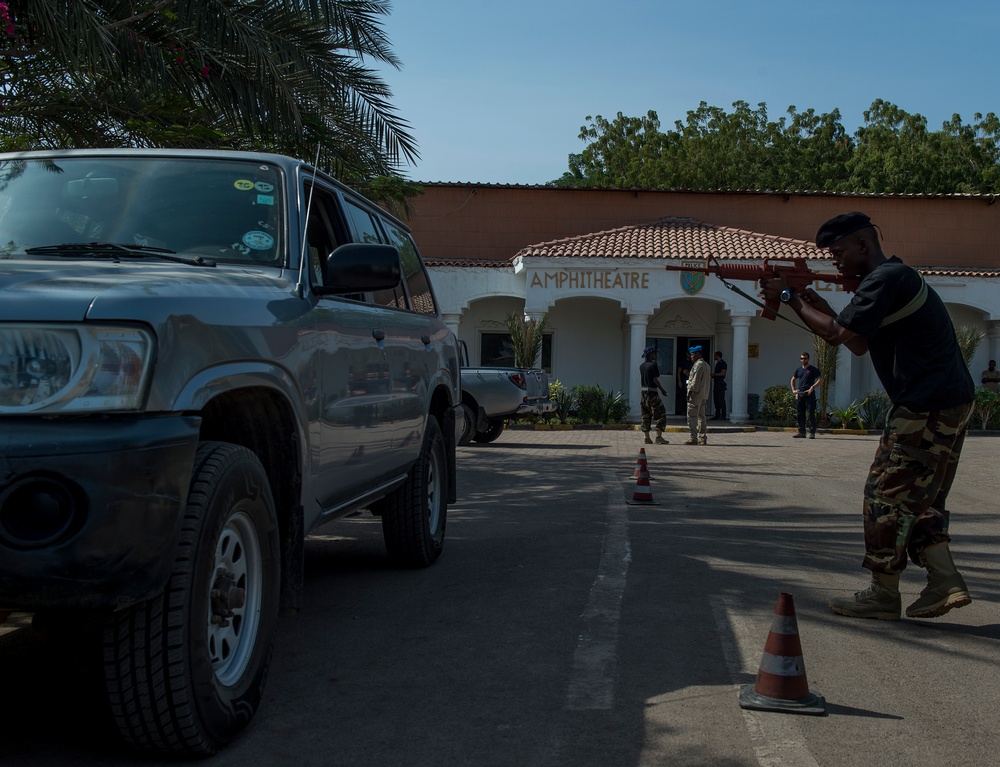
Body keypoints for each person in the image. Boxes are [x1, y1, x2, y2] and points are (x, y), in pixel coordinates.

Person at [761, 211, 975, 621]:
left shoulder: (885, 279)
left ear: (863, 244)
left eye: (838, 252)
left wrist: (789, 296)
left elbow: (839, 336)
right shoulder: (892, 279)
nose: (835, 261)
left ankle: (883, 593)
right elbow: (857, 341)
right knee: (919, 496)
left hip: (925, 404)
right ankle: (944, 581)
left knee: (885, 495)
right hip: (944, 400)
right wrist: (811, 300)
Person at [639, 346, 669, 445]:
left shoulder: (642, 366)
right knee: (661, 414)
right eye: (654, 353)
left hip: (643, 394)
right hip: (652, 393)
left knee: (645, 415)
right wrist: (663, 390)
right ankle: (658, 437)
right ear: (651, 354)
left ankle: (646, 437)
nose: (655, 355)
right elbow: (655, 379)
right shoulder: (653, 365)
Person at [790, 352, 822, 438]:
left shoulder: (813, 369)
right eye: (802, 358)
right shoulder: (799, 370)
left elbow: (820, 379)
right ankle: (801, 432)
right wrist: (794, 390)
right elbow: (793, 379)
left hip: (809, 393)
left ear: (808, 359)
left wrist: (812, 387)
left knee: (811, 413)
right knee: (800, 413)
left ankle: (812, 432)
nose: (803, 360)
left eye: (805, 358)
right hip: (800, 393)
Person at [685, 346, 710, 445]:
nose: (691, 357)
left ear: (698, 354)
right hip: (704, 394)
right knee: (701, 416)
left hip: (696, 394)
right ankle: (702, 437)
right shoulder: (706, 365)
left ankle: (693, 437)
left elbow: (694, 382)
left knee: (692, 416)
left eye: (692, 354)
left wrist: (689, 393)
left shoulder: (697, 365)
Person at [711, 351, 728, 420]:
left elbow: (723, 373)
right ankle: (717, 415)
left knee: (721, 400)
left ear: (718, 355)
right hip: (716, 383)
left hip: (720, 384)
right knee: (716, 400)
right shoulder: (717, 364)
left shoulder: (723, 364)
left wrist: (714, 374)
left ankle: (723, 415)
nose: (714, 357)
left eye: (715, 355)